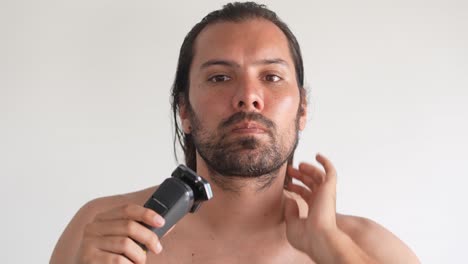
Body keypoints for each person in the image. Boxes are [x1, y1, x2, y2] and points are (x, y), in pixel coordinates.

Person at [50, 2, 420, 263]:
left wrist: (333, 252)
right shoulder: (100, 232)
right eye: (220, 78)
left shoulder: (367, 249)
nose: (247, 97)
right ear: (184, 110)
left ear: (303, 108)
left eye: (271, 77)